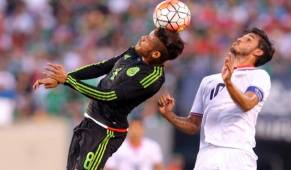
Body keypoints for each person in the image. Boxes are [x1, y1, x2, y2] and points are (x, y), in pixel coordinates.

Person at [33, 27, 184, 170]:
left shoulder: (152, 78)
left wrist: (67, 80)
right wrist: (62, 79)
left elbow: (108, 96)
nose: (143, 37)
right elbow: (102, 67)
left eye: (148, 39)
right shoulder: (135, 53)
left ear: (156, 54)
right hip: (90, 120)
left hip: (106, 131)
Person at [158, 27, 275, 170]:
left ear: (258, 51)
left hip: (237, 154)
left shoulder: (259, 76)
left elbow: (248, 104)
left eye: (248, 39)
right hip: (207, 155)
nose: (240, 39)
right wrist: (169, 115)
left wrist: (229, 82)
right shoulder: (208, 81)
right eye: (242, 36)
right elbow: (193, 125)